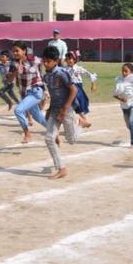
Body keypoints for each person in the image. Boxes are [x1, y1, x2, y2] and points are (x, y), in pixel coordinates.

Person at [42, 46, 79, 179]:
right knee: (49, 138)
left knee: (72, 140)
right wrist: (50, 109)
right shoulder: (46, 76)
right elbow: (53, 94)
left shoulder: (61, 73)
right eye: (44, 61)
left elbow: (74, 90)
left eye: (48, 61)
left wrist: (65, 109)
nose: (45, 63)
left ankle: (78, 121)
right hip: (55, 110)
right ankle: (61, 168)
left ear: (56, 61)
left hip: (66, 109)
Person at [9, 41, 47, 143]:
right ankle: (53, 130)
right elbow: (8, 79)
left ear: (24, 51)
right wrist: (16, 71)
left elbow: (47, 62)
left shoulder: (33, 59)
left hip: (36, 91)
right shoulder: (14, 63)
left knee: (18, 110)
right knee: (37, 116)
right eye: (13, 51)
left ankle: (27, 134)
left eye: (17, 51)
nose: (15, 53)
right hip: (25, 94)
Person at [113, 63, 133, 148]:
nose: (124, 73)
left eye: (126, 71)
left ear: (131, 72)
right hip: (124, 106)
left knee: (131, 123)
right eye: (122, 71)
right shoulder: (119, 79)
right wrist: (121, 99)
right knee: (129, 126)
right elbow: (114, 95)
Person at [65, 50, 98, 128]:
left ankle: (83, 120)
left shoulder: (78, 68)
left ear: (75, 59)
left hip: (78, 88)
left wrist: (93, 84)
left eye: (71, 58)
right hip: (68, 89)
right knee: (73, 105)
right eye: (67, 58)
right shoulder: (64, 69)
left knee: (78, 104)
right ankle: (83, 121)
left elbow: (91, 75)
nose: (69, 60)